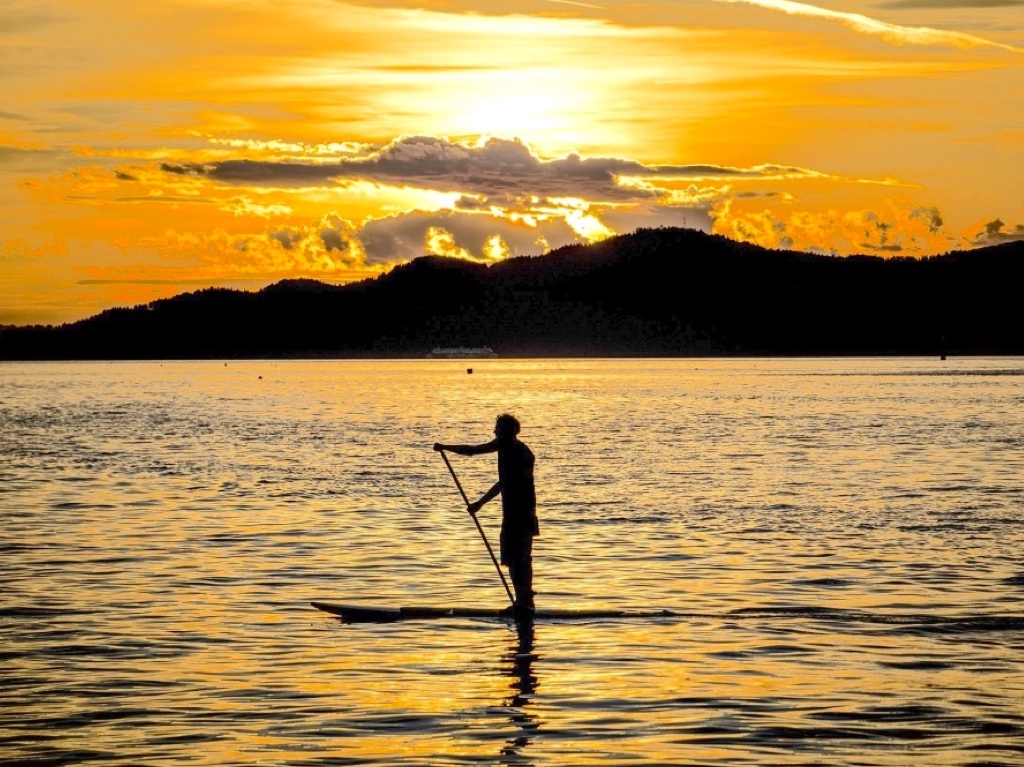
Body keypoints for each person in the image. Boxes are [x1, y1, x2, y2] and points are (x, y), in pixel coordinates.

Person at [434, 414, 538, 613]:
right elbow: (503, 483)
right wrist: (479, 504)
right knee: (515, 558)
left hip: (520, 514)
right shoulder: (513, 449)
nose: (494, 432)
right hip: (517, 513)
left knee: (519, 558)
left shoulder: (516, 451)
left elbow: (474, 451)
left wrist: (446, 447)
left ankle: (524, 602)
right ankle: (523, 600)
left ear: (507, 432)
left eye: (497, 428)